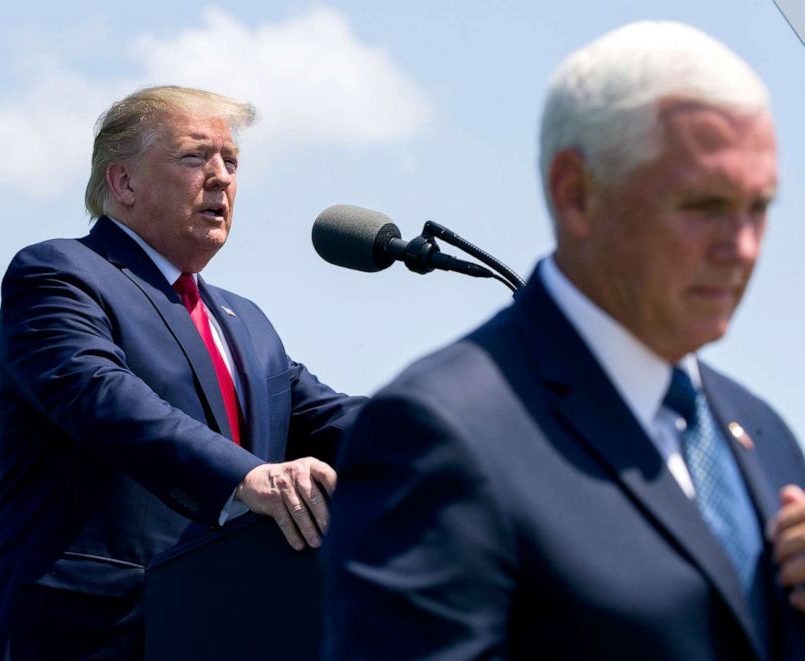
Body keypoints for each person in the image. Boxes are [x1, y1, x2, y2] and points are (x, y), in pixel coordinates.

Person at [324, 21, 805, 660]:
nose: (740, 246)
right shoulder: (438, 433)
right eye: (703, 205)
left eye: (757, 208)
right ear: (577, 194)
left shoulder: (761, 432)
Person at [0, 86, 365, 659]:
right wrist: (248, 477)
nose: (221, 178)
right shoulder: (60, 274)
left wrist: (467, 433)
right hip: (74, 631)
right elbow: (104, 399)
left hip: (224, 628)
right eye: (194, 157)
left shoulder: (246, 322)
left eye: (231, 161)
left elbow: (331, 416)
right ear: (123, 183)